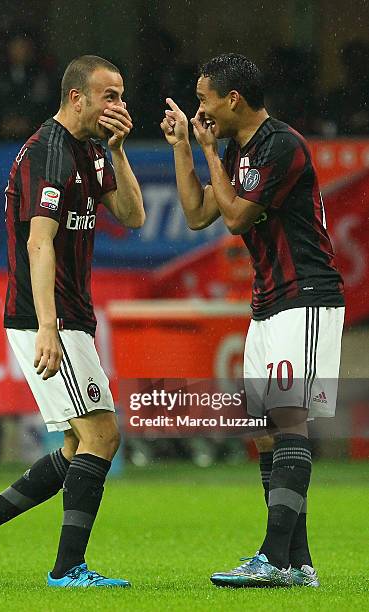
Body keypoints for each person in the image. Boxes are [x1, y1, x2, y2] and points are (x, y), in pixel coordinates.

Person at [0, 55, 145, 588]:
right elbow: (39, 242)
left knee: (79, 447)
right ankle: (68, 569)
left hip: (70, 314)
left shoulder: (92, 151)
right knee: (102, 434)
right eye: (110, 96)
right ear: (76, 97)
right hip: (46, 316)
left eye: (122, 96)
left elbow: (132, 215)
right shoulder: (49, 153)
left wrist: (120, 153)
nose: (120, 106)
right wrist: (49, 327)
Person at [161, 53, 344, 588]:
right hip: (268, 303)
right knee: (265, 433)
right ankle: (296, 563)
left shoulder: (280, 145)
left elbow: (236, 216)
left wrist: (210, 151)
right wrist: (183, 151)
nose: (200, 110)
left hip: (305, 297)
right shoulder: (242, 152)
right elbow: (198, 215)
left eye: (203, 99)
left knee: (288, 420)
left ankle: (272, 556)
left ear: (232, 99)